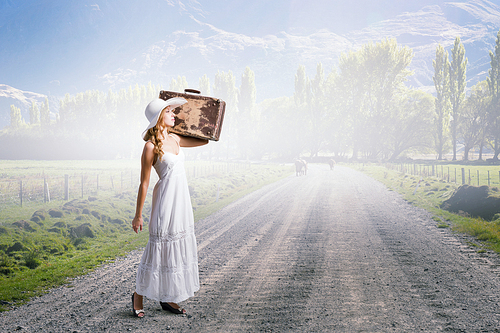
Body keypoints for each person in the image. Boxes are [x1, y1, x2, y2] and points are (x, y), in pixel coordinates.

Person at [131, 97, 208, 318]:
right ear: (159, 117)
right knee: (159, 249)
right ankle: (138, 294)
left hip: (181, 201)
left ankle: (168, 297)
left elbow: (205, 141)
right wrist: (138, 215)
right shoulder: (150, 147)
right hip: (165, 201)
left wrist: (195, 112)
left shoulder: (176, 138)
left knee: (176, 249)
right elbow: (144, 183)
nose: (174, 114)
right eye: (170, 111)